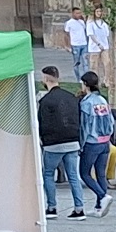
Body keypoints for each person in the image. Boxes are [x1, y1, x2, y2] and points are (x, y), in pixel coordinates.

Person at [36, 67, 85, 220]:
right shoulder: (71, 97)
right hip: (72, 140)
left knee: (48, 174)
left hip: (53, 143)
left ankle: (52, 207)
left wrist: (43, 140)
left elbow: (43, 122)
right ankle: (79, 208)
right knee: (73, 176)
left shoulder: (45, 100)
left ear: (45, 79)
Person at [76, 72, 114, 218]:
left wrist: (81, 144)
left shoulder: (86, 103)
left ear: (85, 84)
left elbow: (85, 126)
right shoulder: (102, 100)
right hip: (105, 141)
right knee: (100, 174)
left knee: (84, 173)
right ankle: (99, 207)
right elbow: (111, 121)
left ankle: (102, 196)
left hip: (92, 142)